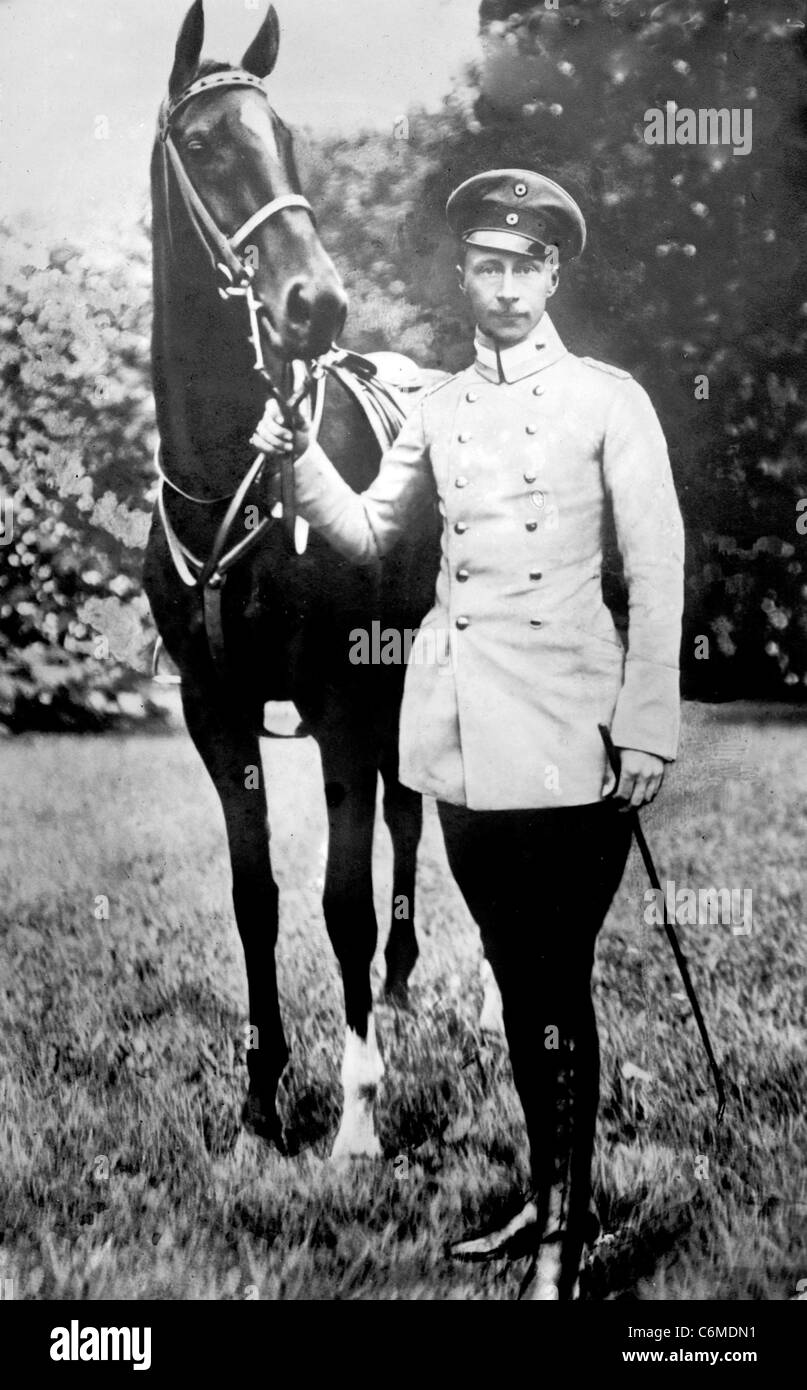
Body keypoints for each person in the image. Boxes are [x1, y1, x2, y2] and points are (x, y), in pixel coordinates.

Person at [251, 169, 685, 1300]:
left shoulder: (609, 399)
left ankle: (568, 1228)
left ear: (553, 274)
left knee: (558, 974)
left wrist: (646, 725)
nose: (502, 287)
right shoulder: (438, 410)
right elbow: (357, 532)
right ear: (467, 277)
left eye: (523, 267)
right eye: (484, 267)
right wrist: (296, 447)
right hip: (464, 735)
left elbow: (656, 567)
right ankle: (545, 1195)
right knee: (509, 963)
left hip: (578, 727)